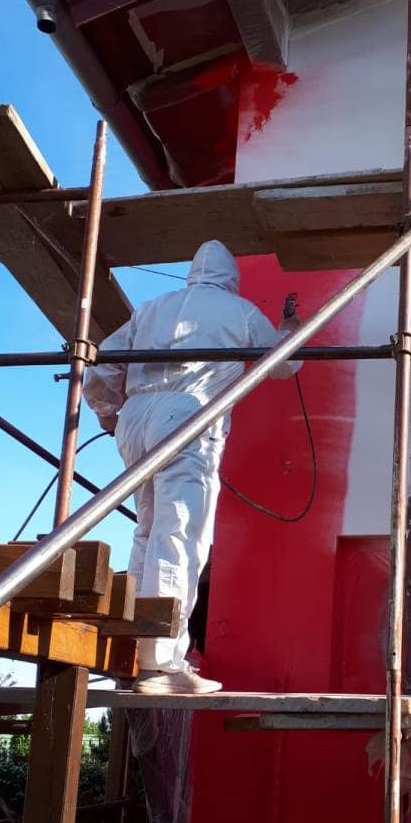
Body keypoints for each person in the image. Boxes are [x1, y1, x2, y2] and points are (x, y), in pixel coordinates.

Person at [83, 239, 301, 694]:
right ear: (230, 277)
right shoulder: (238, 311)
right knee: (180, 534)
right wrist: (289, 329)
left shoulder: (151, 308)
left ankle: (134, 651)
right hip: (188, 414)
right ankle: (162, 663)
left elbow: (103, 364)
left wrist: (108, 412)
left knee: (147, 532)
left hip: (135, 418)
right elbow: (282, 364)